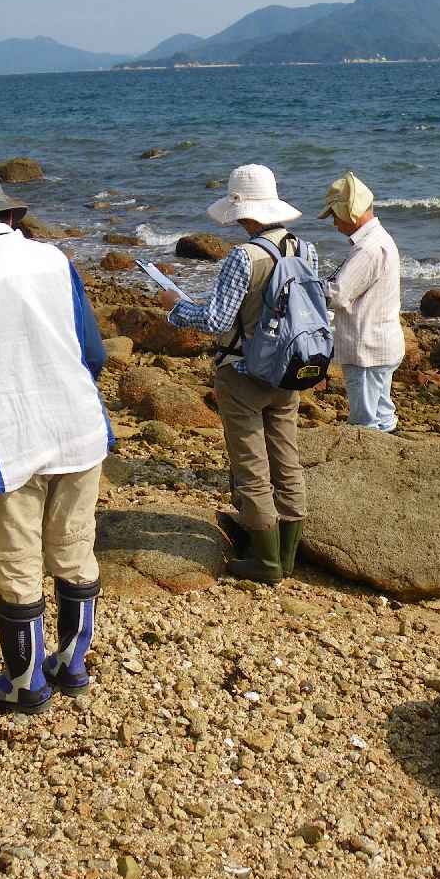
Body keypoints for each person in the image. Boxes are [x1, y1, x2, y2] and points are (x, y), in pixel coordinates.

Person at [0, 175, 112, 714]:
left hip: (7, 442)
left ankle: (26, 683)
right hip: (77, 428)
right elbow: (92, 350)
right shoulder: (57, 262)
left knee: (15, 562)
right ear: (10, 219)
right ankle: (72, 664)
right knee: (75, 546)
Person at [155, 164, 318, 585]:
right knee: (287, 459)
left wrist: (175, 304)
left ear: (243, 210)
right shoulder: (305, 249)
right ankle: (287, 555)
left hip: (243, 372)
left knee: (251, 464)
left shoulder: (244, 256)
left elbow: (214, 320)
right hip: (287, 368)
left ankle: (264, 562)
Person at [318, 171, 404, 432]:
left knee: (364, 424)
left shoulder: (368, 249)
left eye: (334, 215)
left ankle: (373, 468)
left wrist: (303, 290)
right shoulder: (378, 240)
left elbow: (338, 295)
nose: (334, 223)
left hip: (367, 349)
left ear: (349, 212)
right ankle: (392, 461)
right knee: (382, 413)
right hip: (380, 344)